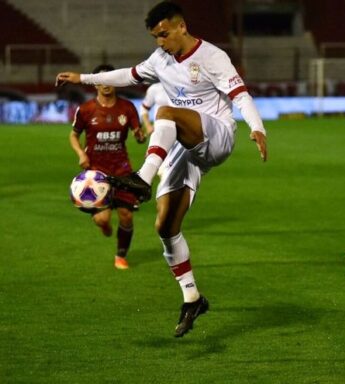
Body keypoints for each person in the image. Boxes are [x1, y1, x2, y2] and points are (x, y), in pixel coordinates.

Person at [56, 1, 267, 337]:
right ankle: (192, 297)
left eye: (164, 34)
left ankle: (142, 177)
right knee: (165, 226)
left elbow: (240, 95)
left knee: (166, 111)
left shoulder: (212, 57)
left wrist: (258, 128)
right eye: (155, 37)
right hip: (183, 146)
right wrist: (83, 77)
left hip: (217, 134)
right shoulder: (160, 59)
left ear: (181, 26)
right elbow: (127, 75)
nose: (160, 42)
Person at [69, 64, 146, 270]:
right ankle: (104, 225)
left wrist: (140, 136)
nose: (106, 85)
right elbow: (73, 135)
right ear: (95, 84)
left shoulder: (128, 108)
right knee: (102, 219)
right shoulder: (86, 110)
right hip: (96, 172)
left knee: (126, 215)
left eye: (110, 80)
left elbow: (138, 134)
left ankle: (121, 255)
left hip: (121, 169)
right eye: (101, 80)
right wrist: (81, 153)